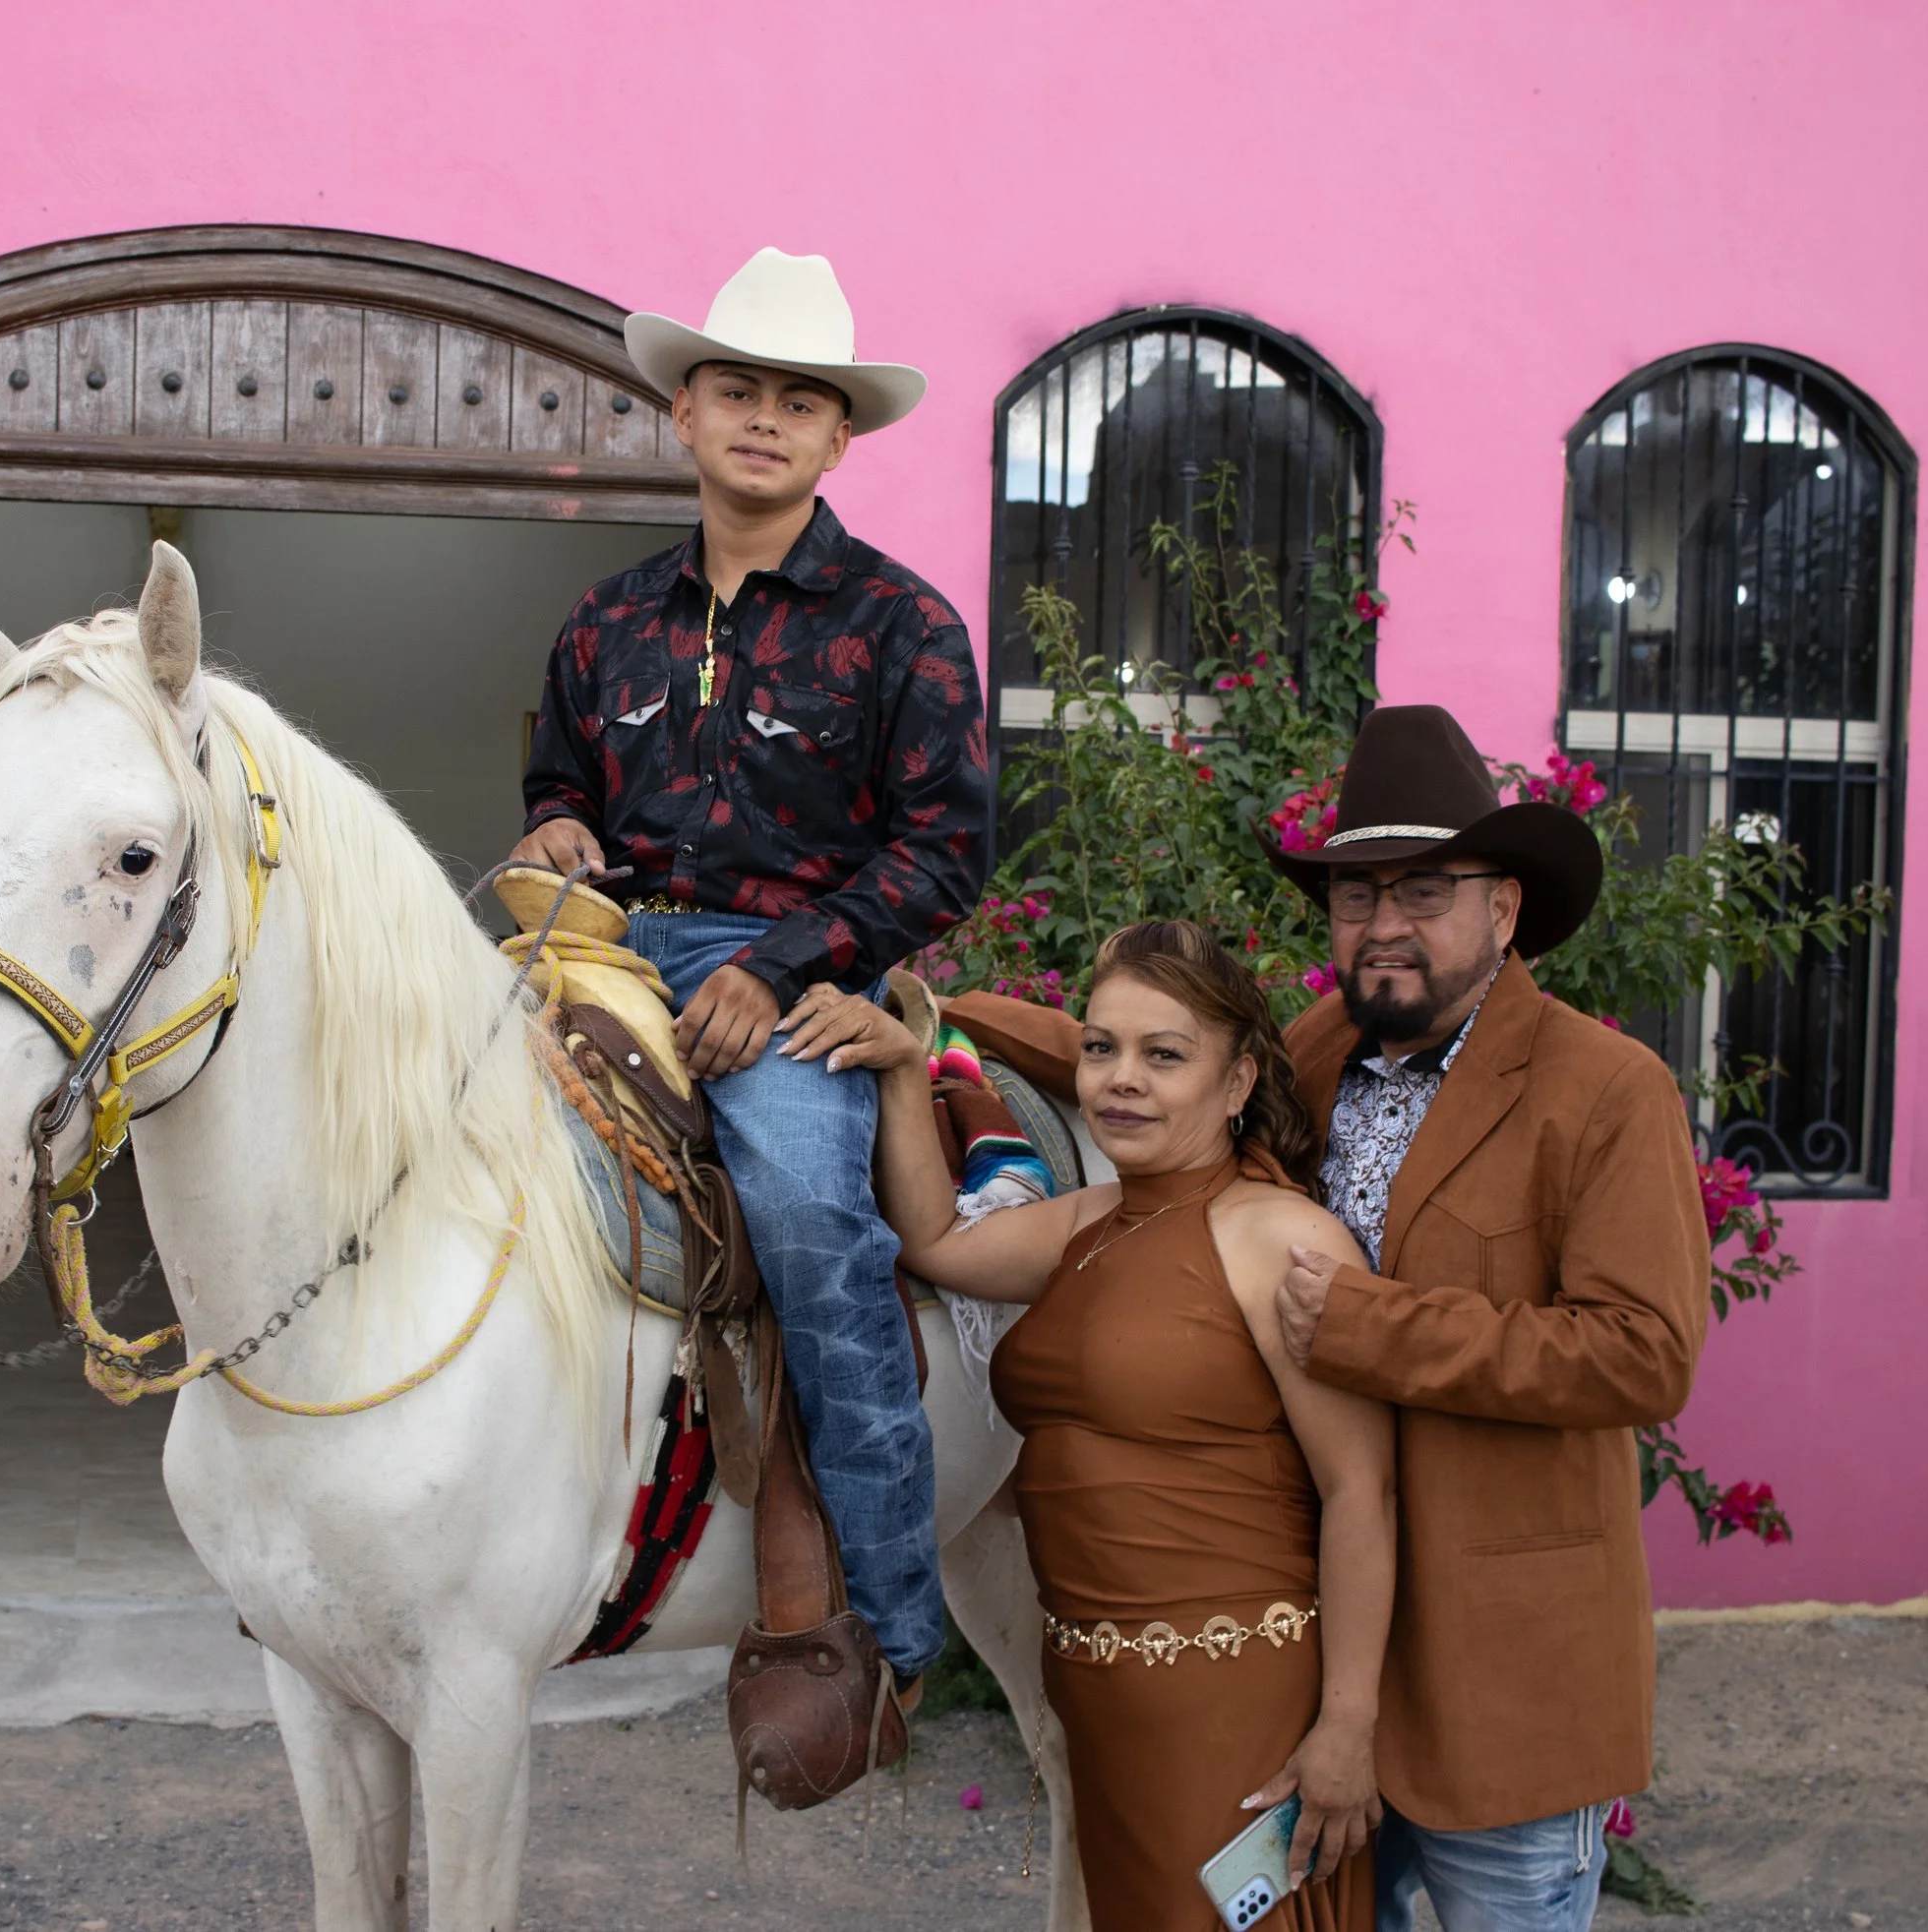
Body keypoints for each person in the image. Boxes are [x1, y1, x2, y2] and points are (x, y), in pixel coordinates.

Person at [510, 248, 989, 1700]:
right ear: (685, 415)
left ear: (842, 436)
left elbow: (945, 851)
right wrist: (558, 823)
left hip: (791, 965)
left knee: (806, 1219)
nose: (764, 417)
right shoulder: (605, 622)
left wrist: (781, 971)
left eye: (800, 399)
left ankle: (896, 1625)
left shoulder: (902, 625)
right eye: (736, 390)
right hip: (609, 943)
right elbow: (553, 778)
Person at [784, 921, 1396, 1928]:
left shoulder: (1281, 1237)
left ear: (1237, 1081)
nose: (1120, 1079)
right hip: (1098, 1700)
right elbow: (934, 1240)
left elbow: (1359, 1491)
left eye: (1164, 1055)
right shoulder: (1085, 1220)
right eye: (1102, 1047)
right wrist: (904, 1067)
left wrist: (1347, 1724)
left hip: (1236, 1704)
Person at [1260, 704, 1711, 1932]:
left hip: (1505, 1675)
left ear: (1502, 909)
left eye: (1423, 888)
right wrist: (943, 1036)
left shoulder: (1607, 1089)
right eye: (1355, 895)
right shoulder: (1305, 1055)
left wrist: (1370, 1325)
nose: (1384, 924)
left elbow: (1643, 1351)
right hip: (1316, 1654)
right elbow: (1143, 1080)